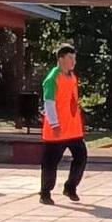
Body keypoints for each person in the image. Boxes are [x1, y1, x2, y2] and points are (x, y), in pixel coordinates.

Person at [40, 44, 87, 205]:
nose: (73, 62)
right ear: (61, 59)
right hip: (57, 130)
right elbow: (49, 103)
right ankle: (45, 192)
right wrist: (54, 124)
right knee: (51, 162)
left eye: (74, 59)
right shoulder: (52, 78)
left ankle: (70, 187)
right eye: (70, 58)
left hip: (73, 130)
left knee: (81, 157)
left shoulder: (73, 77)